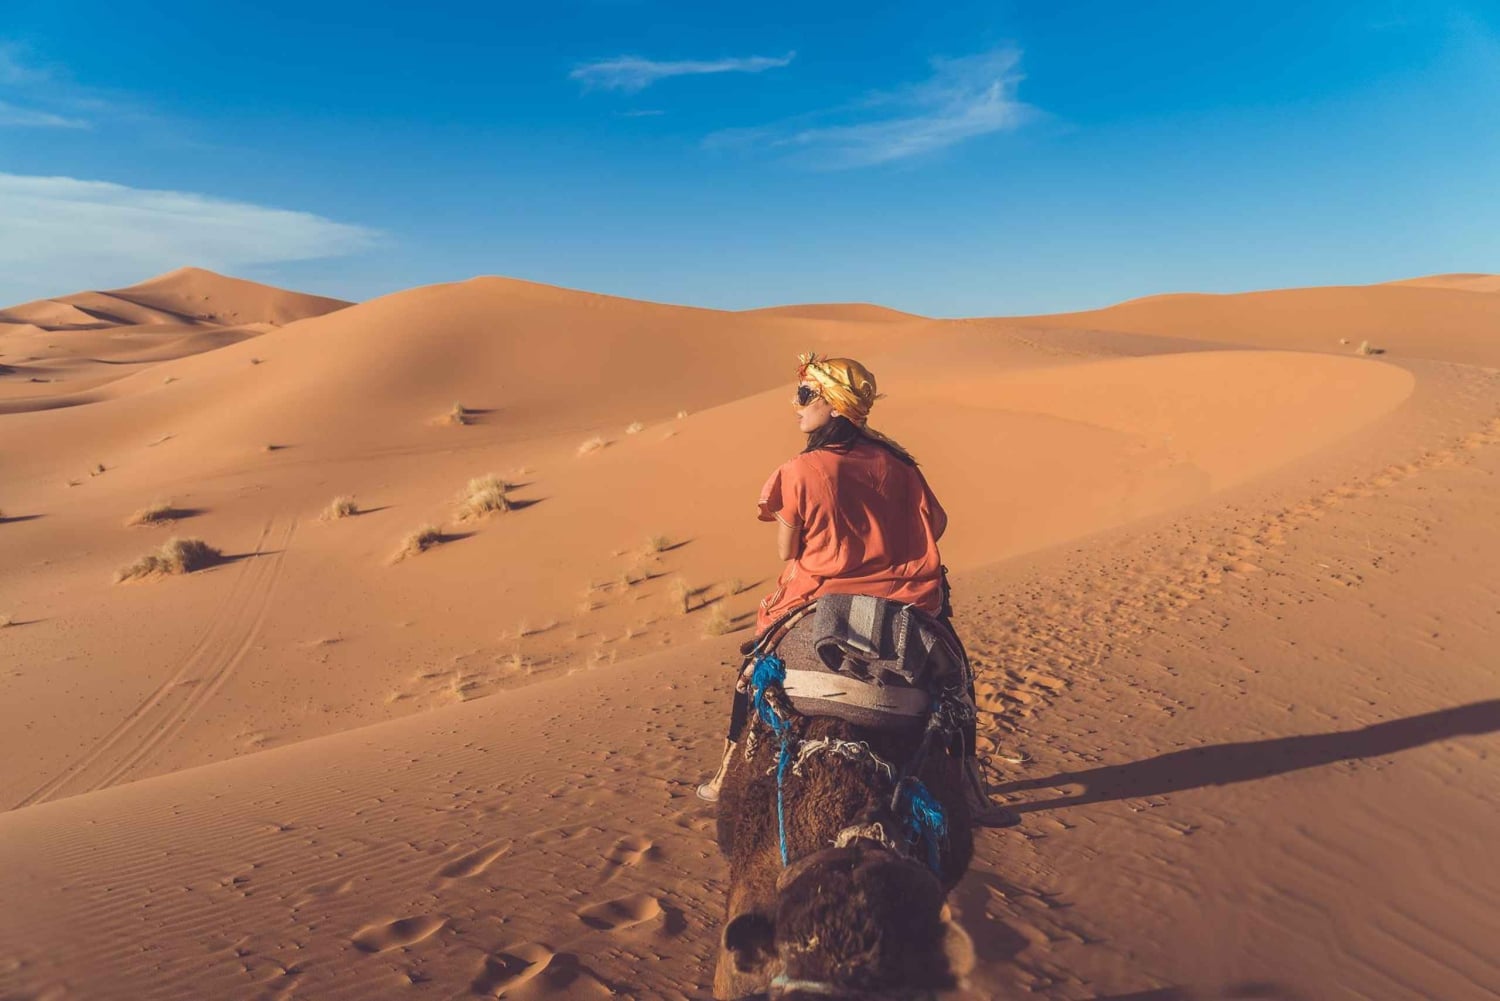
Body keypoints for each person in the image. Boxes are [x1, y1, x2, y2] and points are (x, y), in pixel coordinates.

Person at [698, 353, 1011, 825]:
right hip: (905, 597)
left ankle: (724, 776)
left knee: (752, 673)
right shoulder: (902, 466)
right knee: (956, 685)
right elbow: (938, 525)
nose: (796, 404)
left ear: (835, 404)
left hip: (815, 595)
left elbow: (787, 549)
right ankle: (973, 791)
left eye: (805, 395)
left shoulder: (800, 470)